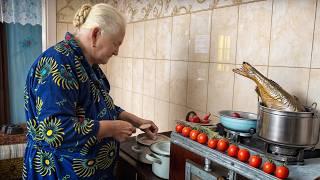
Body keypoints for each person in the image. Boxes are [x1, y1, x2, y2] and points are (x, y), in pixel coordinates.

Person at [23, 3, 158, 180]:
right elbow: (55, 130)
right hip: (59, 171)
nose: (117, 52)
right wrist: (111, 128)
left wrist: (137, 121)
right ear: (95, 34)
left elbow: (99, 106)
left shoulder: (87, 65)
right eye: (116, 44)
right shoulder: (57, 63)